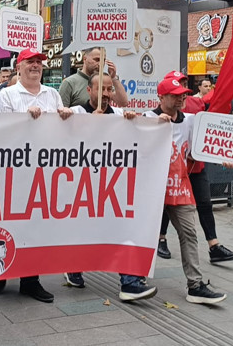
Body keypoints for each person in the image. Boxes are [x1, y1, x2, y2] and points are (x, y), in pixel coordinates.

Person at [66, 73, 157, 301]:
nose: (105, 95)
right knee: (85, 231)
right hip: (83, 188)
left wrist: (134, 122)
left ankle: (130, 283)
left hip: (113, 188)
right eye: (101, 90)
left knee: (123, 229)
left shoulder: (118, 115)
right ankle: (74, 267)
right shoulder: (77, 114)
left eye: (109, 90)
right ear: (89, 91)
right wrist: (82, 123)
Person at [0, 48, 73, 303]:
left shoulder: (53, 94)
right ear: (19, 66)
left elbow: (62, 132)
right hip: (15, 171)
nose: (36, 66)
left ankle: (30, 280)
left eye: (39, 62)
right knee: (9, 221)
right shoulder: (7, 95)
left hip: (44, 170)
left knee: (36, 225)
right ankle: (0, 269)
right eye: (30, 62)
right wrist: (25, 120)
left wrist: (65, 116)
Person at [145, 78, 227, 304]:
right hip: (150, 189)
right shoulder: (147, 119)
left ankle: (195, 285)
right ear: (161, 97)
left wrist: (223, 157)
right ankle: (133, 279)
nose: (181, 97)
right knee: (144, 234)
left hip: (179, 187)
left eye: (183, 94)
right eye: (175, 94)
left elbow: (200, 148)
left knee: (189, 234)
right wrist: (150, 127)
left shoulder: (191, 120)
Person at [155, 72, 233, 263]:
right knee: (166, 204)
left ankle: (214, 245)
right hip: (171, 169)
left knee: (204, 203)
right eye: (179, 85)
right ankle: (160, 239)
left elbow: (208, 134)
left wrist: (222, 155)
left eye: (185, 84)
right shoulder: (159, 113)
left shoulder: (195, 106)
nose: (182, 93)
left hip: (195, 166)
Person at [58, 47, 128, 108]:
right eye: (97, 60)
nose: (100, 64)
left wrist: (114, 78)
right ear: (84, 59)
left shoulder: (103, 81)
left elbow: (123, 102)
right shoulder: (69, 83)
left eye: (103, 60)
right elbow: (61, 112)